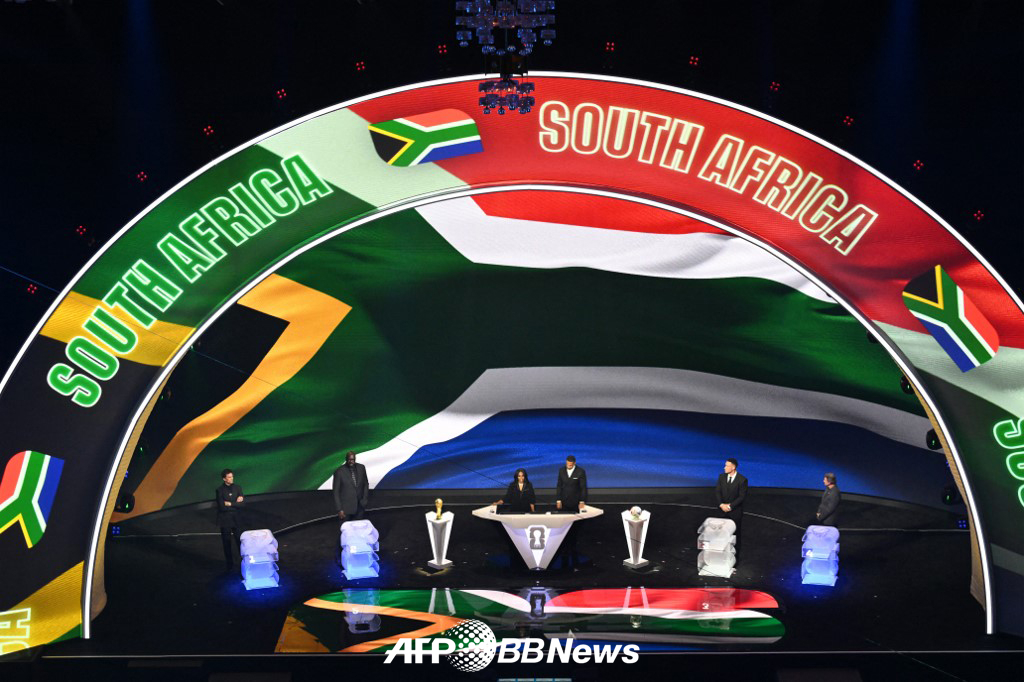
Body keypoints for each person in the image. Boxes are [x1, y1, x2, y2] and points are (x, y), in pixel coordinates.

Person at [715, 458, 747, 556]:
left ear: (733, 467)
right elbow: (718, 492)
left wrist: (730, 506)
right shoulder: (721, 477)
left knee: (735, 535)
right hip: (722, 511)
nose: (724, 468)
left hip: (735, 512)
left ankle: (735, 557)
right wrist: (721, 504)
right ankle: (722, 554)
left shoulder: (742, 480)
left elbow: (742, 497)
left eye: (727, 466)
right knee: (721, 533)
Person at [215, 468, 244, 569]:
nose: (232, 479)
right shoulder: (220, 490)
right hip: (225, 519)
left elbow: (242, 504)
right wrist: (236, 503)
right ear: (224, 479)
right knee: (227, 542)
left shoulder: (238, 488)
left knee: (239, 540)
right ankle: (229, 564)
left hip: (236, 518)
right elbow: (222, 507)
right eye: (229, 477)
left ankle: (243, 561)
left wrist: (230, 504)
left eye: (232, 477)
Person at [333, 451, 369, 521]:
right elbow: (336, 492)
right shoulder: (339, 471)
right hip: (346, 510)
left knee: (359, 527)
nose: (351, 461)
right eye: (349, 459)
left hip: (360, 507)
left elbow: (366, 484)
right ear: (346, 459)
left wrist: (364, 499)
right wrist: (339, 509)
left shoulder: (361, 468)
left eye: (353, 460)